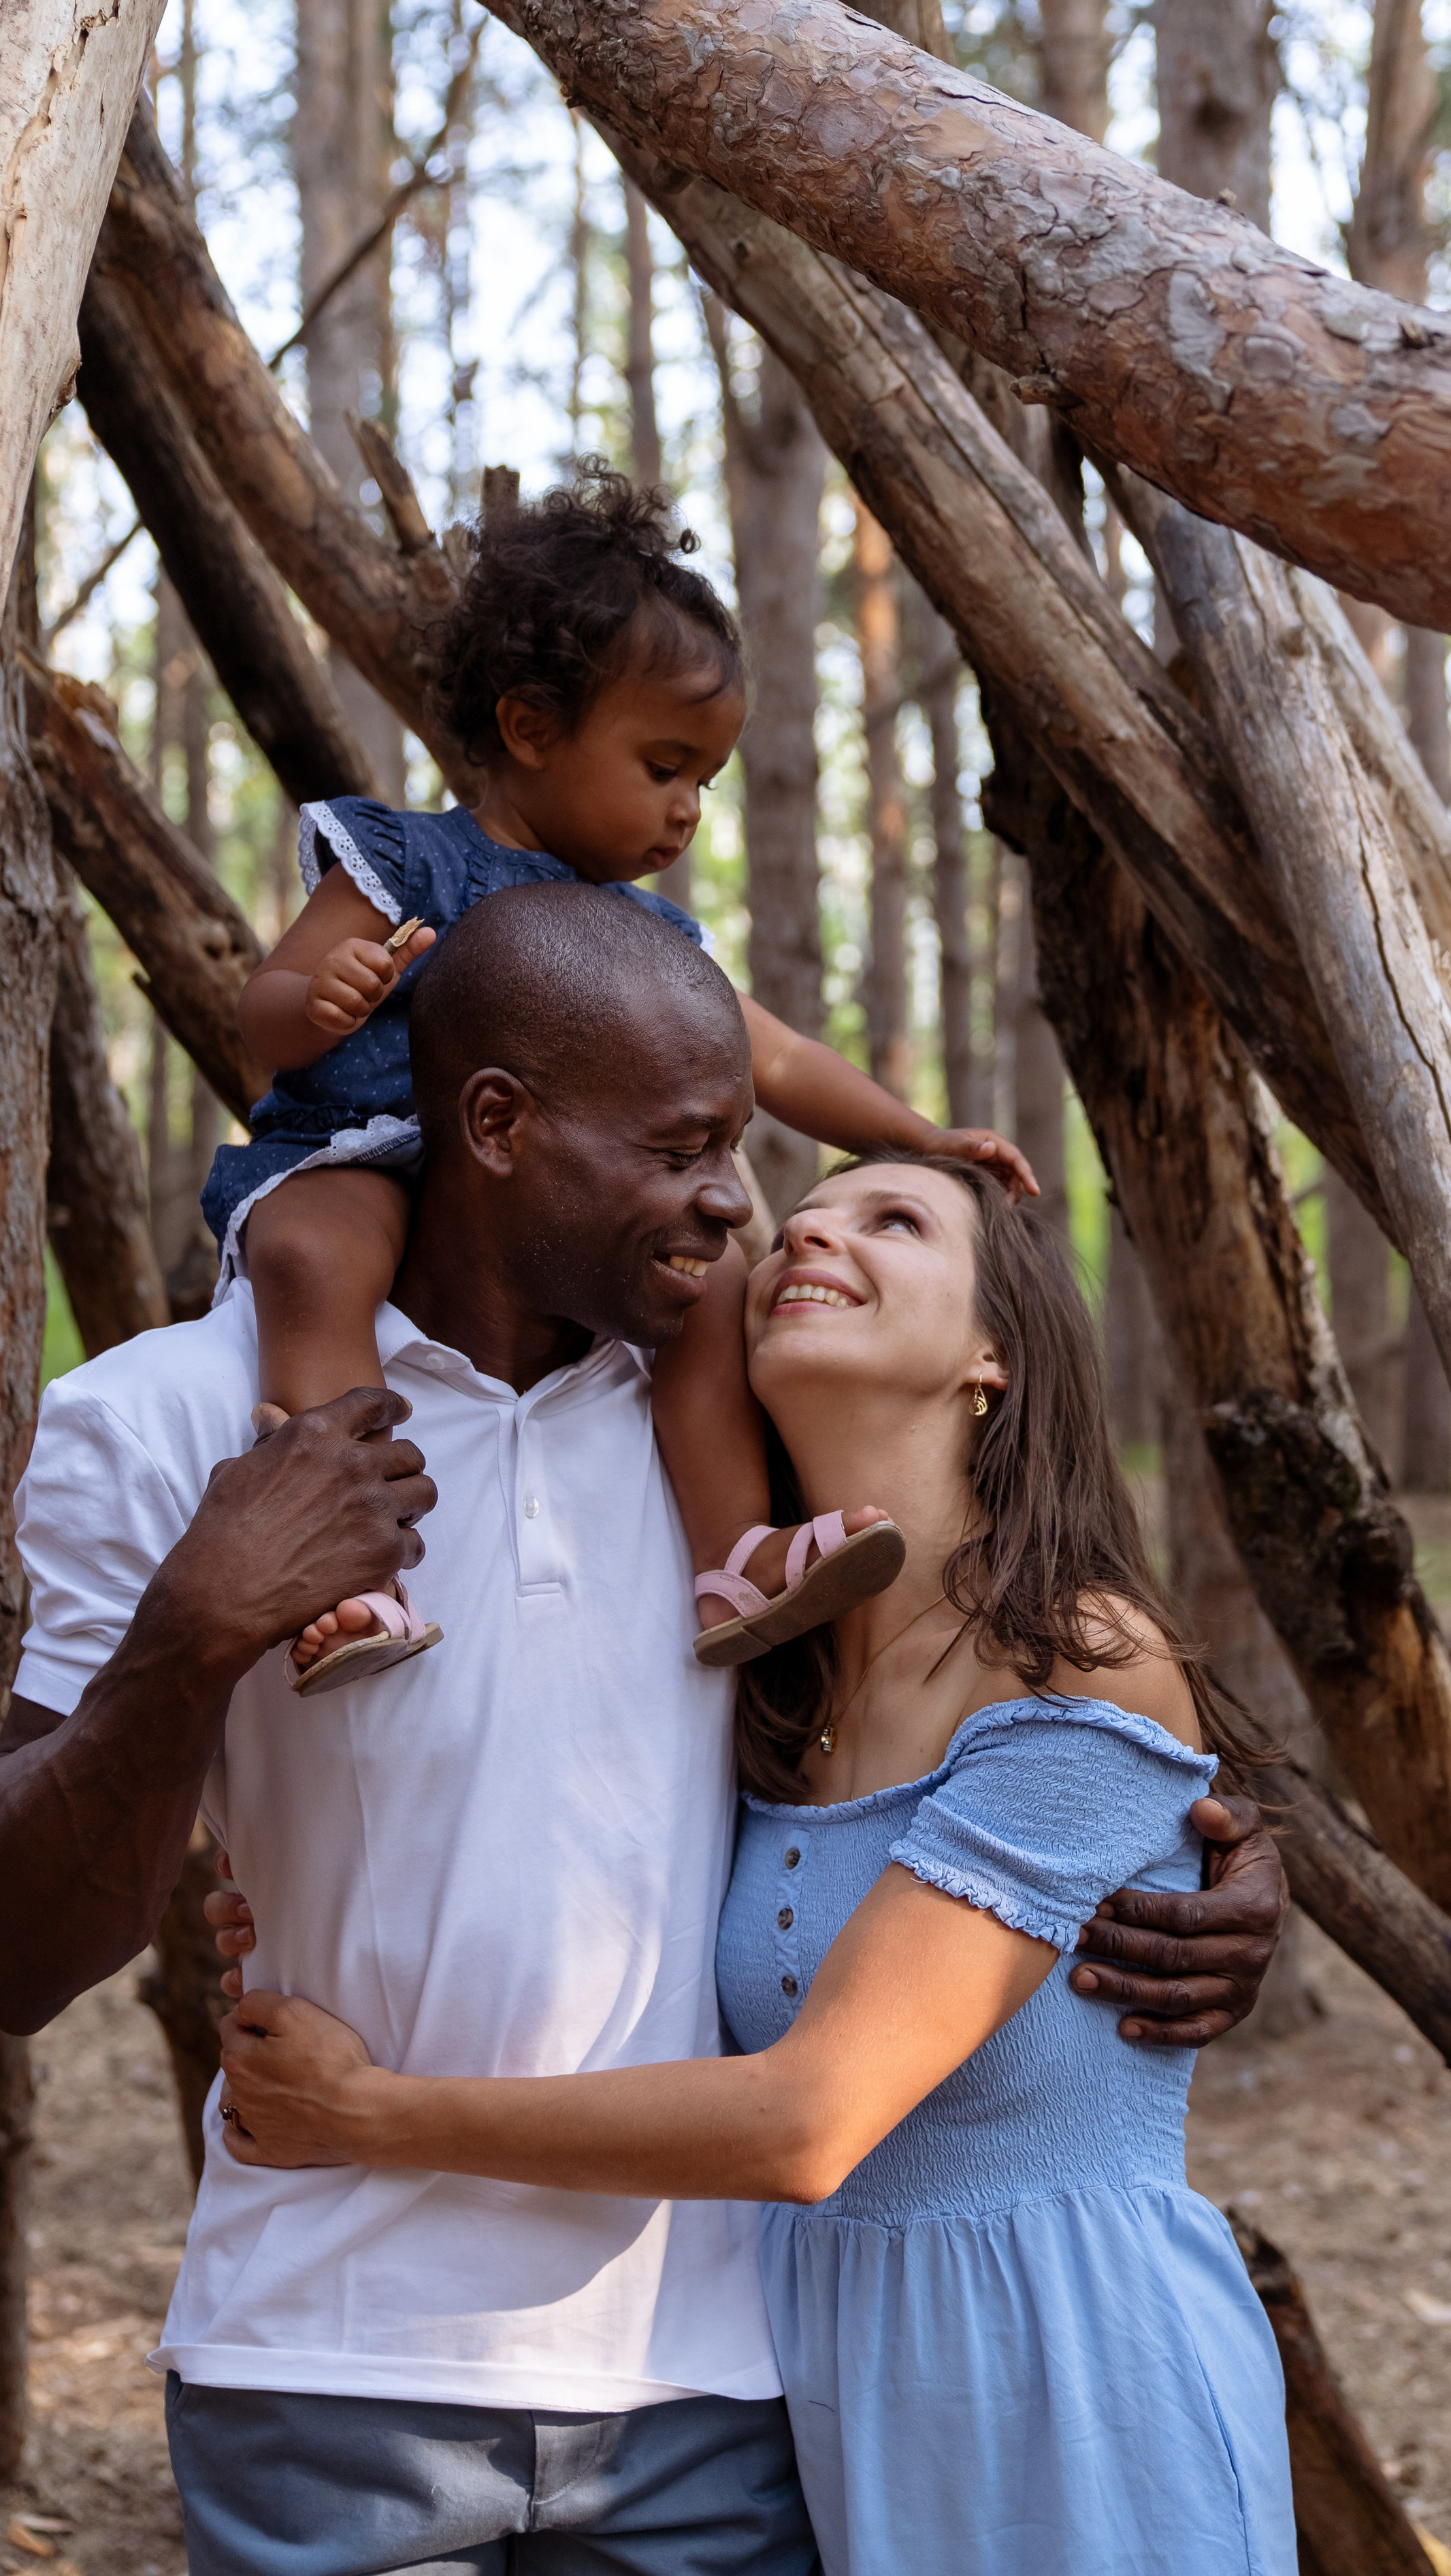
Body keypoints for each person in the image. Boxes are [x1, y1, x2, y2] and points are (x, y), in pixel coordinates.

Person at [2, 882, 1288, 2576]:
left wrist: (1211, 1847)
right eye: (688, 1146)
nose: (740, 1210)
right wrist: (192, 1641)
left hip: (722, 2389)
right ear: (498, 1125)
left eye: (751, 1153)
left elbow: (1037, 1688)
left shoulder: (733, 1448)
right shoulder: (166, 1422)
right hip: (334, 2363)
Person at [215, 465, 1034, 1695]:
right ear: (531, 727)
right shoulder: (406, 861)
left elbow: (784, 1057)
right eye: (663, 766)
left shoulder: (648, 940)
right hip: (369, 1147)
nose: (689, 808)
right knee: (313, 1260)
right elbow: (262, 1014)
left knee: (715, 1285)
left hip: (571, 1212)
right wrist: (316, 1000)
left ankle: (733, 1557)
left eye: (705, 778)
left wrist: (916, 1140)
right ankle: (345, 1570)